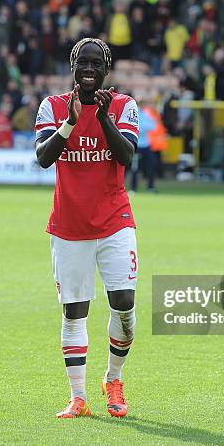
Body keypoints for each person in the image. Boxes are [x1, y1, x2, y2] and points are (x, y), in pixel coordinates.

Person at [35, 38, 139, 419]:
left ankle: (113, 378)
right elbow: (43, 158)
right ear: (73, 66)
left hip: (114, 223)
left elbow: (126, 155)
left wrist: (104, 118)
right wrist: (70, 124)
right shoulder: (53, 106)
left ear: (106, 70)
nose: (89, 69)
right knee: (74, 313)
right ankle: (78, 398)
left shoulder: (125, 106)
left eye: (97, 63)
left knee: (124, 306)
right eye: (83, 62)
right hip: (69, 226)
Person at [130, 99, 157, 192]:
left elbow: (153, 126)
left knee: (151, 166)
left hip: (146, 145)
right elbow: (136, 127)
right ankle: (133, 188)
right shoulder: (133, 113)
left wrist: (142, 127)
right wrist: (143, 127)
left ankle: (150, 187)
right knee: (135, 168)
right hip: (137, 145)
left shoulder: (146, 114)